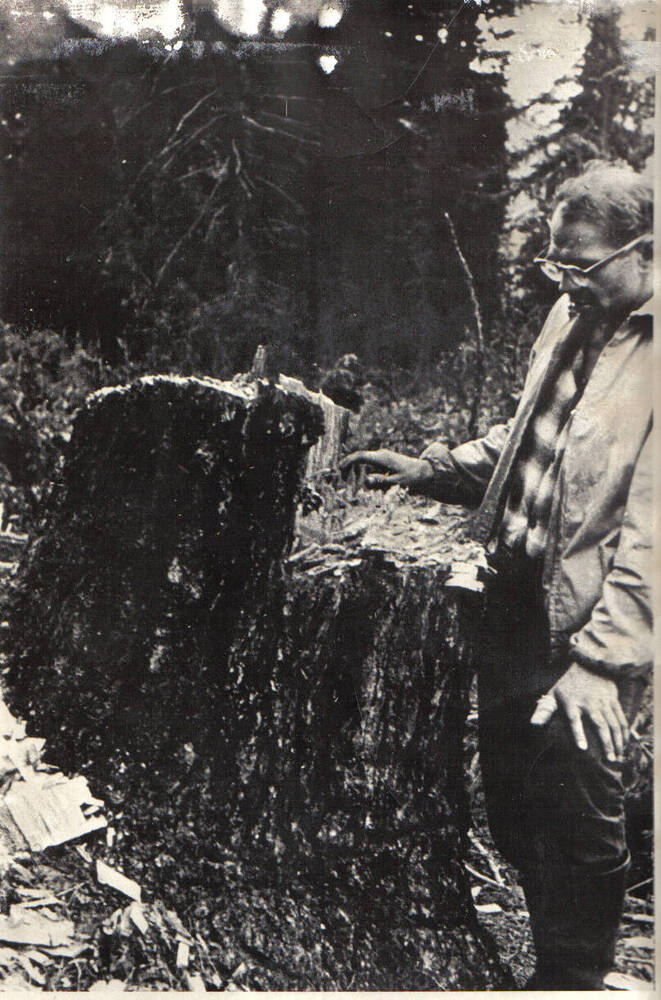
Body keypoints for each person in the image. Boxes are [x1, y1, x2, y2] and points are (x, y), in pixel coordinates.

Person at [340, 160, 653, 990]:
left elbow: (654, 538)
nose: (562, 279)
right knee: (515, 808)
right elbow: (534, 441)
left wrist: (599, 664)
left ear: (644, 251)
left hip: (586, 632)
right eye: (553, 262)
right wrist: (433, 466)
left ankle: (569, 981)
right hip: (514, 601)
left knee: (580, 822)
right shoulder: (572, 312)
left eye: (579, 263)